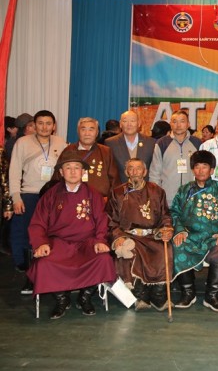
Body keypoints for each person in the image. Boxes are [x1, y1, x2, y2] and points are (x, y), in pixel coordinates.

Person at [26, 151, 116, 319]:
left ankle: (85, 296)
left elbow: (102, 221)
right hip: (58, 243)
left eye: (77, 168)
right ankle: (62, 299)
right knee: (44, 263)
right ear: (61, 172)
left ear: (83, 172)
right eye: (68, 168)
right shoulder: (50, 195)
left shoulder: (94, 194)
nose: (73, 171)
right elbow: (38, 223)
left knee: (103, 259)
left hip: (87, 242)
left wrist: (100, 240)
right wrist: (41, 243)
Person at [106, 158, 174, 311]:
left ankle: (158, 296)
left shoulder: (157, 191)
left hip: (152, 235)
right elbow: (110, 220)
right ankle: (140, 295)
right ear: (126, 172)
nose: (135, 171)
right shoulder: (117, 193)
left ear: (145, 172)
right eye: (131, 168)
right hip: (129, 235)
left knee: (164, 250)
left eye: (138, 168)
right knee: (131, 253)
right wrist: (118, 236)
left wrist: (166, 229)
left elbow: (165, 216)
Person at [169, 151, 218, 311]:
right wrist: (180, 230)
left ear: (212, 170)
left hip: (214, 236)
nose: (201, 170)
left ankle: (212, 296)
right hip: (189, 235)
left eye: (205, 166)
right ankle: (188, 293)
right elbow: (174, 212)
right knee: (177, 245)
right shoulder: (184, 190)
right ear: (192, 170)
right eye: (197, 167)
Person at [9, 110, 65, 287]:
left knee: (52, 232)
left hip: (54, 195)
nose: (44, 127)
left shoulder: (60, 142)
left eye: (48, 123)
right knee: (24, 231)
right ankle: (25, 266)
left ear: (54, 126)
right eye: (40, 123)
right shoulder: (23, 142)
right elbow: (14, 170)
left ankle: (50, 266)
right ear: (34, 125)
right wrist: (16, 197)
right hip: (29, 194)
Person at [54, 117, 120, 199]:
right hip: (71, 200)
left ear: (97, 133)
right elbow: (56, 179)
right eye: (83, 129)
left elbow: (115, 181)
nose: (87, 133)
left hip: (100, 201)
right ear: (78, 132)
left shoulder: (106, 152)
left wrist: (109, 200)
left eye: (91, 130)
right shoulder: (68, 150)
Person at [149, 110, 202, 206]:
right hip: (168, 199)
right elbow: (154, 173)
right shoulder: (162, 143)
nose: (178, 125)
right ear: (170, 124)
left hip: (192, 198)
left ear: (188, 124)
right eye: (174, 121)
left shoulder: (197, 143)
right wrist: (157, 195)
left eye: (182, 121)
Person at [105, 110, 156, 184]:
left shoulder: (151, 143)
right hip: (120, 188)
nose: (129, 124)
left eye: (132, 121)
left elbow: (154, 169)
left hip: (144, 188)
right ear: (120, 124)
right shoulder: (111, 143)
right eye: (125, 121)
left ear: (139, 123)